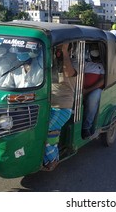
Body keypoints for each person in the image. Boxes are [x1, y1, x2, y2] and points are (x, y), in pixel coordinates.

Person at [43, 43, 76, 171]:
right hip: (47, 105)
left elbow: (69, 72)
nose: (58, 51)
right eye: (56, 48)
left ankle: (53, 159)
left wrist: (64, 51)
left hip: (62, 106)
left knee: (47, 131)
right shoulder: (51, 64)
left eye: (61, 48)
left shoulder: (73, 63)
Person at [82, 43, 105, 138]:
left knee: (93, 98)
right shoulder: (84, 63)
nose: (94, 50)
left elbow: (102, 81)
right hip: (81, 88)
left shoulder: (101, 66)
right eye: (93, 48)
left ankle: (86, 127)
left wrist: (87, 90)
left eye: (96, 48)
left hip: (94, 90)